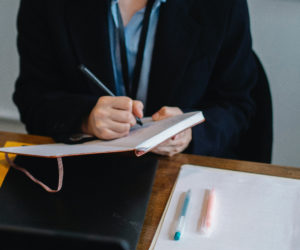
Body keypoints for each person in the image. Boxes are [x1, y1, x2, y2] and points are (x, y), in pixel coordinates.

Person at [13, 0, 258, 158]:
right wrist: (85, 118)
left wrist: (190, 134)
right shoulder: (47, 5)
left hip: (180, 170)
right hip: (88, 170)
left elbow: (237, 105)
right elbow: (32, 97)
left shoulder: (222, 6)